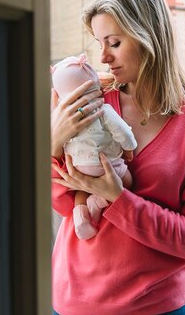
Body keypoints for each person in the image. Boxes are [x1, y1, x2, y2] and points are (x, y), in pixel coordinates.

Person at [51, 0, 185, 315]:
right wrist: (52, 141)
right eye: (98, 43)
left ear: (147, 36)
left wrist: (118, 200)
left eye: (113, 42)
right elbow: (62, 201)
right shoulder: (88, 102)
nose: (103, 57)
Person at [51, 53, 137, 239]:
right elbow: (124, 133)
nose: (104, 57)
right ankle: (98, 202)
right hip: (106, 164)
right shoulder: (103, 108)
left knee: (82, 189)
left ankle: (81, 216)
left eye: (114, 43)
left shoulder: (59, 116)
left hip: (78, 165)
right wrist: (129, 149)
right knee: (127, 181)